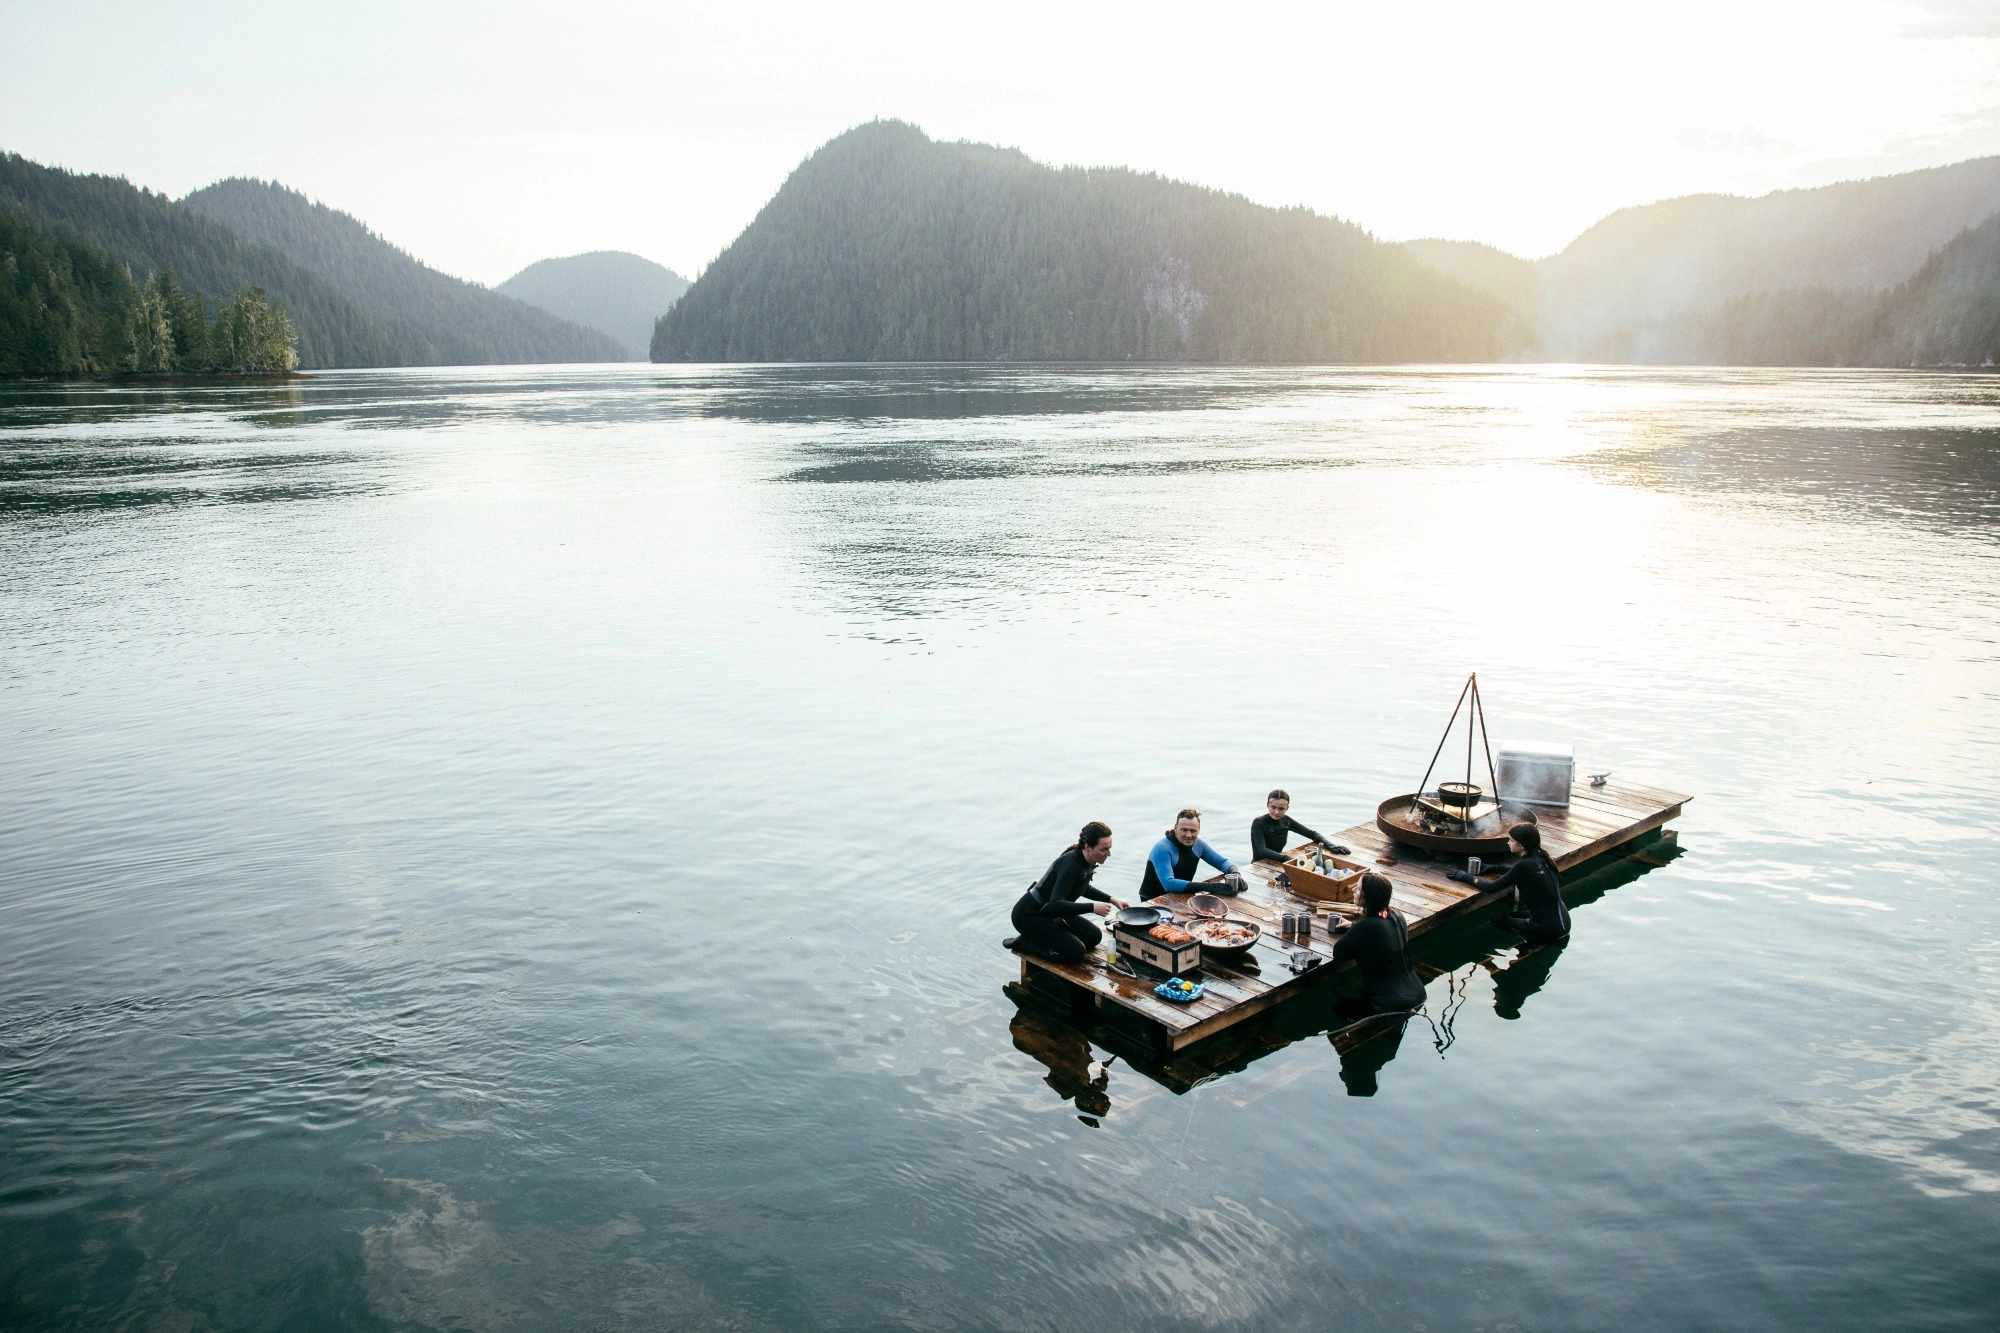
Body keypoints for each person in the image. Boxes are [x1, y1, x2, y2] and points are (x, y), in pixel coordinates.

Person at [1007, 821, 1128, 964]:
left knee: (1093, 937)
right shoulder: (1071, 864)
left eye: (1110, 848)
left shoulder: (1085, 860)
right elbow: (1056, 904)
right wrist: (1092, 907)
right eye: (1103, 849)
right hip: (1029, 915)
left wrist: (1112, 899)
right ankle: (1024, 943)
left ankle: (1051, 933)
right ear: (1088, 847)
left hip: (1050, 912)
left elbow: (1083, 887)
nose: (1109, 854)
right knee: (1076, 952)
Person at [1449, 822, 1571, 943]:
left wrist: (1465, 876)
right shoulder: (1542, 857)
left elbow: (1491, 887)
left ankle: (1525, 944)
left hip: (1548, 929)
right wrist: (1494, 868)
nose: (1508, 843)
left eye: (1511, 840)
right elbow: (1516, 873)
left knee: (1498, 921)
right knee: (1513, 915)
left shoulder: (1525, 865)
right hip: (1563, 922)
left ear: (1522, 845)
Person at [1329, 873, 1427, 1014]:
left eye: (1357, 889)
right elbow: (1380, 933)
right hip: (1418, 993)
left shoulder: (1367, 926)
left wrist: (1356, 929)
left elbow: (1338, 953)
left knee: (1337, 1010)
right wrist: (1353, 925)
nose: (1353, 891)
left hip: (1392, 1004)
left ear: (1368, 896)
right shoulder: (1396, 915)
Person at [1139, 808, 1240, 901]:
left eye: (1193, 831)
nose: (1189, 835)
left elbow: (1222, 862)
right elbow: (1168, 884)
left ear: (1198, 830)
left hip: (1180, 897)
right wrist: (1208, 886)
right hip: (1152, 902)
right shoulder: (1162, 848)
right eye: (1184, 830)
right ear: (1176, 828)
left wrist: (1235, 873)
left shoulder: (1199, 845)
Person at [1250, 788, 1347, 862]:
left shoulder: (1286, 821)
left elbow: (1311, 834)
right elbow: (1261, 850)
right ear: (1267, 805)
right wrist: (1287, 859)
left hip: (1277, 863)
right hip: (1259, 865)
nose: (1276, 812)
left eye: (1281, 809)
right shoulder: (1259, 823)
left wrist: (1329, 845)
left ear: (1287, 808)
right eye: (1273, 807)